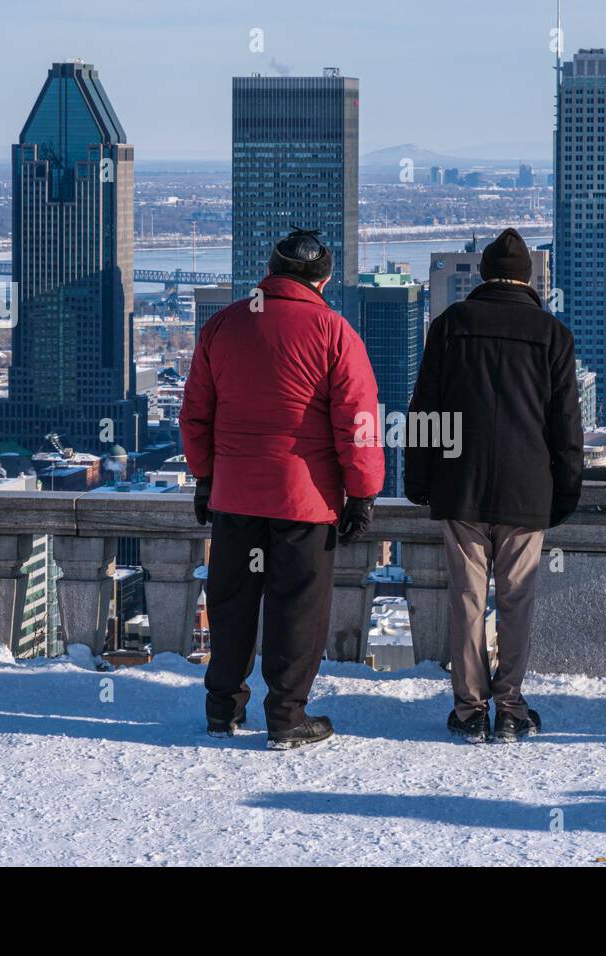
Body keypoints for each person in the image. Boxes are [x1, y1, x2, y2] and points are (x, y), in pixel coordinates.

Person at [180, 228, 383, 750]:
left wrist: (206, 477)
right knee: (297, 607)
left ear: (270, 270)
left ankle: (222, 709)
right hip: (304, 499)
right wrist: (362, 492)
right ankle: (287, 716)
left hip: (234, 494)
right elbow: (358, 421)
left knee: (231, 602)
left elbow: (195, 415)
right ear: (326, 277)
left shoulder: (223, 326)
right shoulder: (333, 331)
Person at [405, 228, 582, 743]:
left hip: (459, 484)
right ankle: (509, 706)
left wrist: (420, 478)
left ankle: (468, 710)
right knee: (516, 599)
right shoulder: (553, 334)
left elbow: (424, 409)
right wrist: (566, 490)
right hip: (528, 491)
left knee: (465, 598)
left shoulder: (449, 326)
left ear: (482, 275)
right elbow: (566, 425)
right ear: (528, 279)